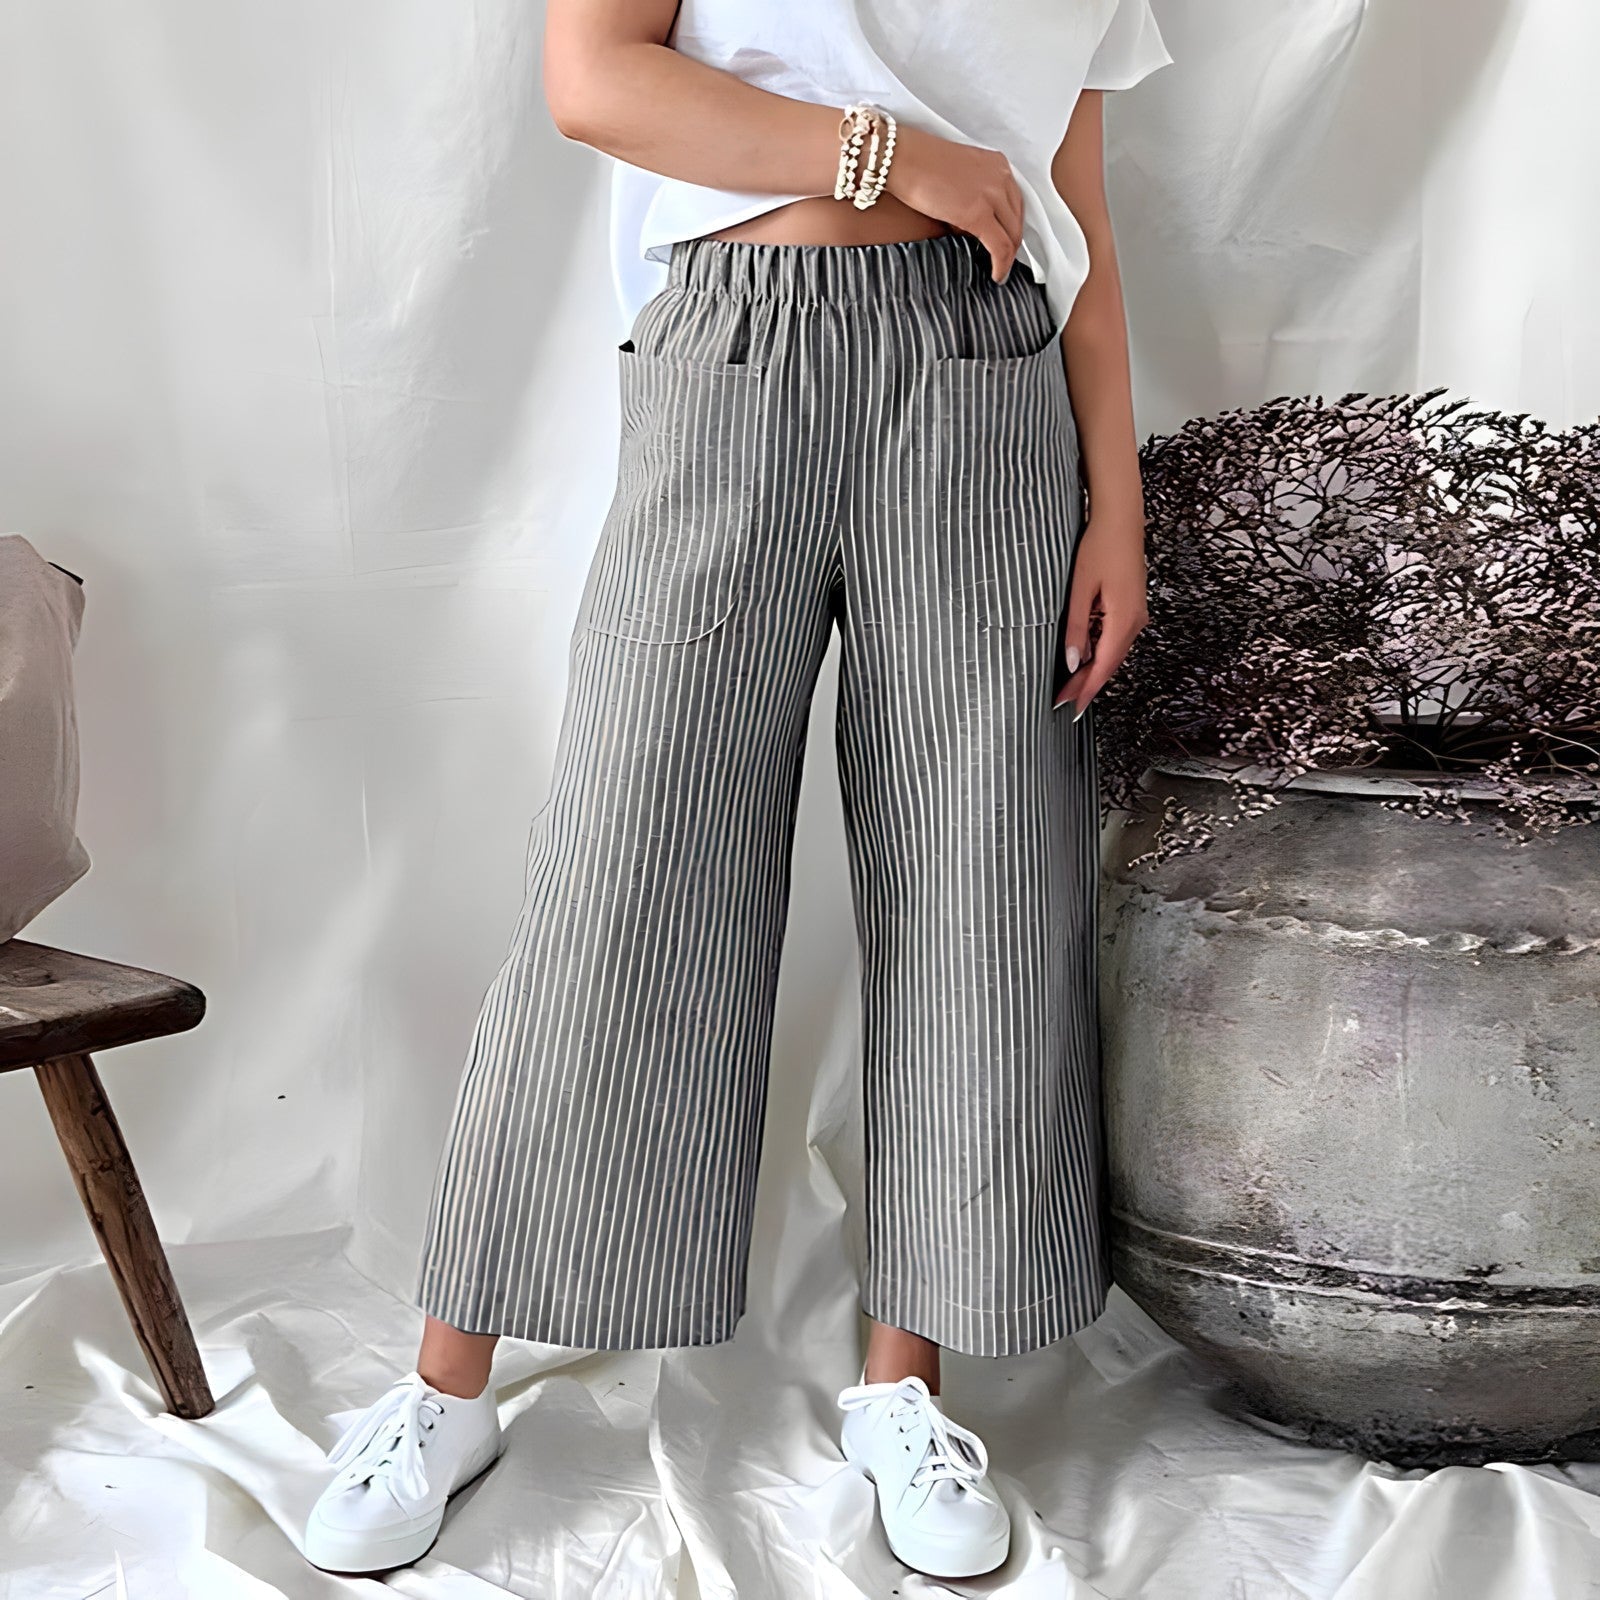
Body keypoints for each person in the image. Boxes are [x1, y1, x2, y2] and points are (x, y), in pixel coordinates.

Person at [302, 0, 1170, 1581]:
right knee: (624, 871)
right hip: (736, 347)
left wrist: (1118, 503)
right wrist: (890, 154)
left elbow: (1079, 216)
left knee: (981, 878)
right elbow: (594, 81)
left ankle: (903, 1389)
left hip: (988, 379)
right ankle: (448, 1387)